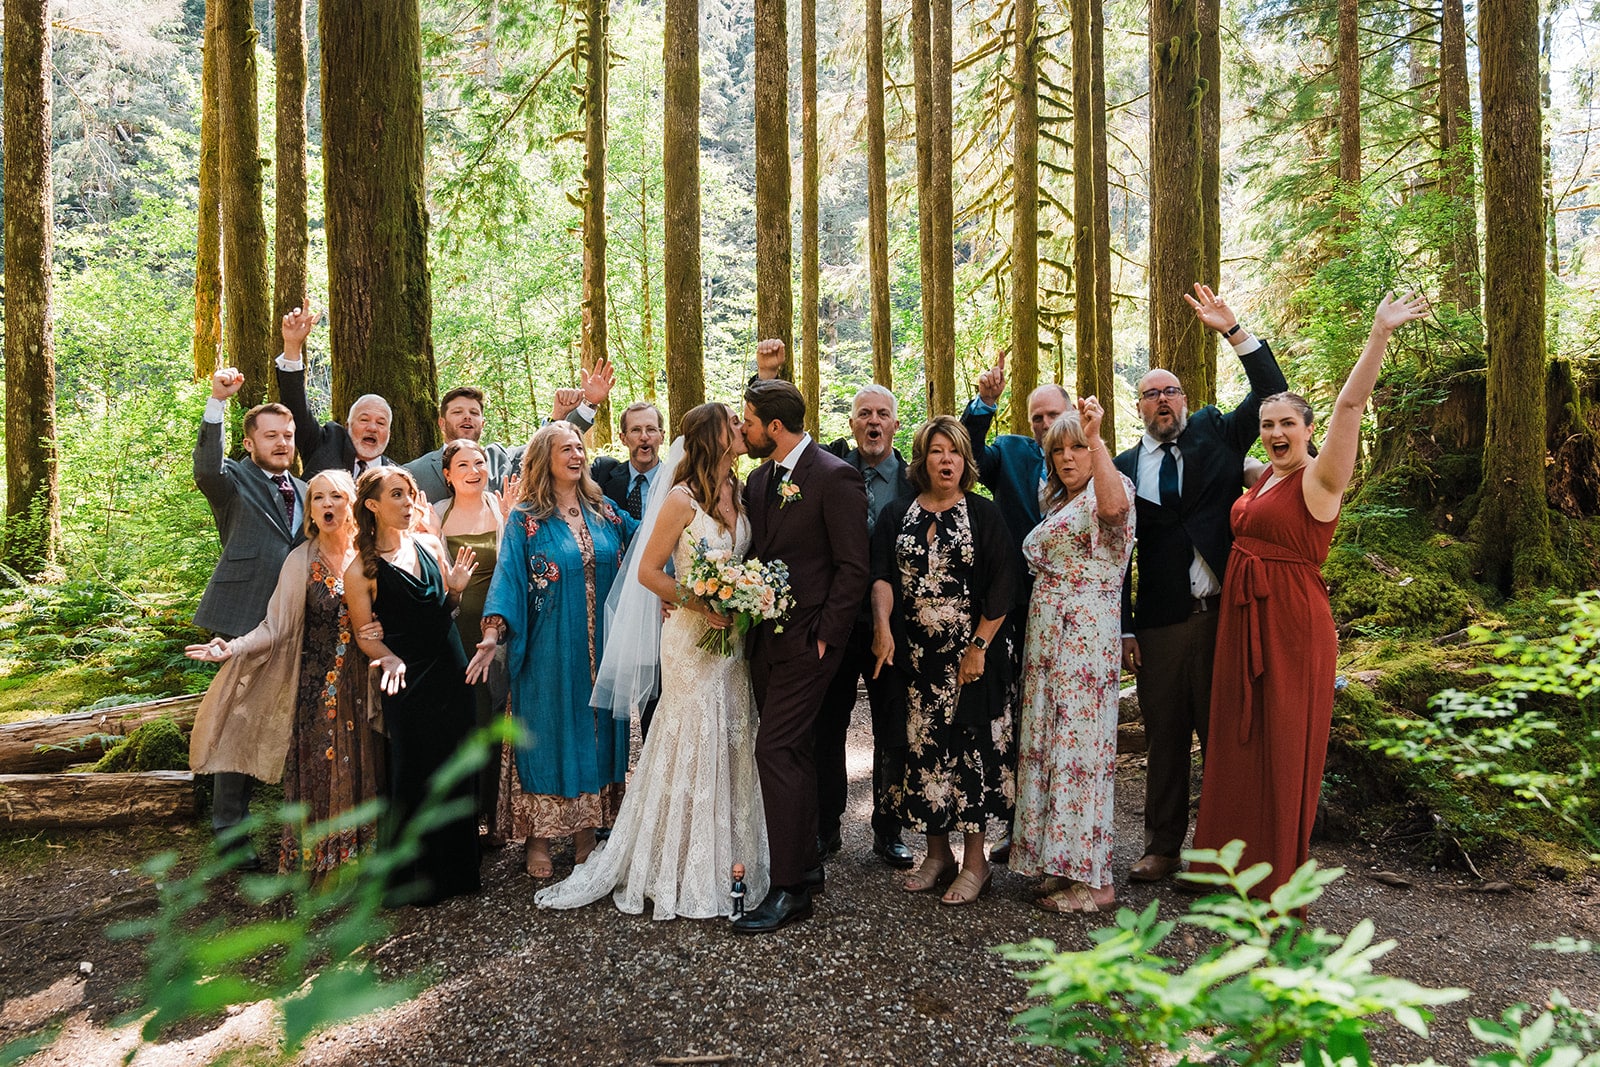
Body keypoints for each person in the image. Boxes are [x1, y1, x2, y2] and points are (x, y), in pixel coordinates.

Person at [1190, 292, 1429, 902]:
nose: (1273, 432)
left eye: (1286, 424)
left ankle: (1275, 883)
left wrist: (1378, 333)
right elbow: (1219, 473)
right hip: (1244, 621)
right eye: (1267, 425)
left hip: (1293, 623)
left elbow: (1351, 403)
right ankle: (1226, 871)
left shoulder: (1322, 481)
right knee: (1238, 739)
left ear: (1308, 431)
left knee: (1283, 743)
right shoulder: (1262, 476)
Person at [534, 403, 770, 920]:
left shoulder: (741, 491)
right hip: (691, 638)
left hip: (732, 645)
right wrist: (701, 602)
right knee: (690, 736)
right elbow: (648, 571)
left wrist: (745, 598)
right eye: (734, 424)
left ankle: (730, 858)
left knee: (731, 736)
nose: (742, 430)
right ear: (712, 436)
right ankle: (674, 864)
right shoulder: (681, 500)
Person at [1111, 283, 1289, 884]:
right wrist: (1125, 627)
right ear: (1138, 407)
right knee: (1164, 737)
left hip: (1225, 615)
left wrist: (1233, 330)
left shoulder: (1216, 432)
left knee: (1224, 740)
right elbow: (1117, 555)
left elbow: (1271, 392)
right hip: (1159, 623)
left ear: (1185, 398)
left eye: (1171, 391)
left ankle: (1220, 857)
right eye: (1151, 394)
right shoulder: (1124, 467)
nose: (1163, 400)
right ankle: (1161, 847)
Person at [749, 345, 916, 868]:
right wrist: (826, 633)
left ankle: (889, 828)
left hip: (894, 623)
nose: (872, 421)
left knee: (893, 726)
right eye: (864, 413)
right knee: (825, 728)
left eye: (881, 413)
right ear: (851, 422)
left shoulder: (914, 482)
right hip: (834, 626)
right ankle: (824, 826)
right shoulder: (832, 470)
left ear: (893, 424)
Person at [187, 471, 385, 876]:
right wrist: (232, 647)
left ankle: (368, 860)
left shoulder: (371, 554)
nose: (327, 505)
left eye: (335, 497)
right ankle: (322, 862)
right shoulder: (301, 560)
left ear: (352, 504)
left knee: (369, 765)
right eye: (317, 499)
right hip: (317, 691)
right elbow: (274, 627)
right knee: (321, 768)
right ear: (310, 510)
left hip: (367, 683)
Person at [468, 423, 638, 880]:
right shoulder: (526, 518)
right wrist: (491, 632)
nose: (577, 454)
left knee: (597, 733)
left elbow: (648, 540)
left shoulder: (605, 511)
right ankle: (538, 837)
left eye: (580, 447)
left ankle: (587, 833)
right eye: (566, 448)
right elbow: (508, 579)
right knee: (545, 733)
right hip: (546, 649)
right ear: (546, 458)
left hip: (602, 648)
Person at [732, 372, 870, 933]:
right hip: (765, 642)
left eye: (747, 421)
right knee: (797, 752)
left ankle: (789, 890)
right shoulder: (760, 481)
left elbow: (853, 566)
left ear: (774, 427)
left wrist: (825, 636)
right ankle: (808, 866)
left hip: (810, 643)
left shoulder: (835, 477)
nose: (743, 429)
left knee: (776, 751)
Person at [870, 416, 1018, 907]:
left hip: (971, 658)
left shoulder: (984, 513)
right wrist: (883, 627)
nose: (946, 460)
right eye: (936, 451)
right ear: (922, 459)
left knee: (970, 755)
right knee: (923, 754)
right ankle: (938, 856)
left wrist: (978, 647)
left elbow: (1003, 583)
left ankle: (975, 864)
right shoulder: (897, 515)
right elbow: (883, 578)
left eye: (954, 451)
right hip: (916, 661)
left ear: (966, 461)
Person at [1009, 402, 1135, 913]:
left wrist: (1097, 438)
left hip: (1085, 636)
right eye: (1057, 449)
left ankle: (1096, 880)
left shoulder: (1112, 485)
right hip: (1049, 641)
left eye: (1076, 445)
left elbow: (1113, 513)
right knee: (1050, 747)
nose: (1067, 456)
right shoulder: (1059, 500)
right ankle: (1061, 864)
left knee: (1081, 754)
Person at [344, 467, 483, 906]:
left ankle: (459, 871)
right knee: (414, 770)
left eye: (410, 495)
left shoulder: (427, 544)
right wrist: (388, 658)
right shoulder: (360, 569)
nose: (408, 504)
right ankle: (413, 879)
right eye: (397, 496)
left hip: (449, 666)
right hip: (405, 676)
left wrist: (457, 592)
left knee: (456, 764)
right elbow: (367, 636)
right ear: (372, 506)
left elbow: (445, 607)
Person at [189, 367, 306, 866]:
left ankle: (297, 831)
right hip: (241, 615)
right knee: (236, 724)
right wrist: (216, 402)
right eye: (271, 436)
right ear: (250, 441)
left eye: (288, 435)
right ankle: (231, 837)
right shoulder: (233, 480)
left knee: (293, 719)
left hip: (295, 620)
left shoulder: (306, 489)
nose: (281, 443)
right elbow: (206, 469)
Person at [958, 355, 1072, 864]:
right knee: (1017, 717)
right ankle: (1017, 826)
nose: (1045, 426)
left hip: (1074, 614)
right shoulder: (1012, 453)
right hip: (1016, 608)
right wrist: (983, 404)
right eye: (1037, 419)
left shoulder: (1088, 463)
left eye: (1052, 416)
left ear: (1070, 413)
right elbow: (969, 453)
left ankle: (1063, 832)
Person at [431, 439, 510, 843]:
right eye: (463, 464)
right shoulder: (435, 515)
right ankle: (461, 815)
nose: (473, 469)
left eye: (479, 462)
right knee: (460, 720)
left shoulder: (500, 507)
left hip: (496, 630)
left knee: (493, 719)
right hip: (455, 629)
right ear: (447, 474)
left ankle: (494, 816)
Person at [405, 363, 614, 503]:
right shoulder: (414, 472)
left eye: (474, 413)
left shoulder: (501, 458)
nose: (467, 417)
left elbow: (544, 448)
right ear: (442, 423)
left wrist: (585, 405)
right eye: (458, 412)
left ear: (483, 423)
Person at [276, 307, 397, 479]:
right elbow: (295, 408)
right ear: (348, 426)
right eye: (364, 419)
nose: (372, 428)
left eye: (381, 423)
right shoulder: (324, 444)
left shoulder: (396, 476)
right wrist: (293, 345)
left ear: (389, 434)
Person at [590, 401, 666, 521]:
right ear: (623, 438)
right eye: (636, 430)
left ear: (662, 437)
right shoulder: (603, 473)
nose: (644, 437)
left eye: (651, 429)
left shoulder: (676, 481)